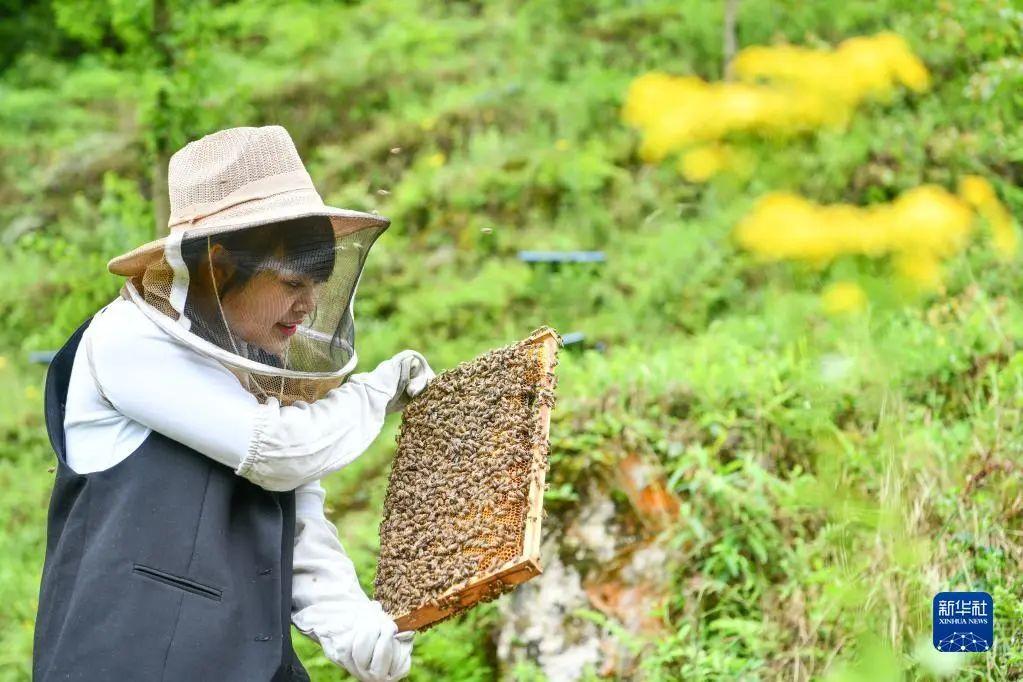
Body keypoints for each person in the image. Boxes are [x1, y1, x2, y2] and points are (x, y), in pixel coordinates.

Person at [33, 125, 433, 681]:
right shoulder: (126, 340)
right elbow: (279, 451)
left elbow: (295, 515)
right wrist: (376, 391)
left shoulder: (258, 362)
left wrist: (351, 625)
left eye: (318, 284)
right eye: (294, 281)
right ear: (219, 265)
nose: (308, 305)